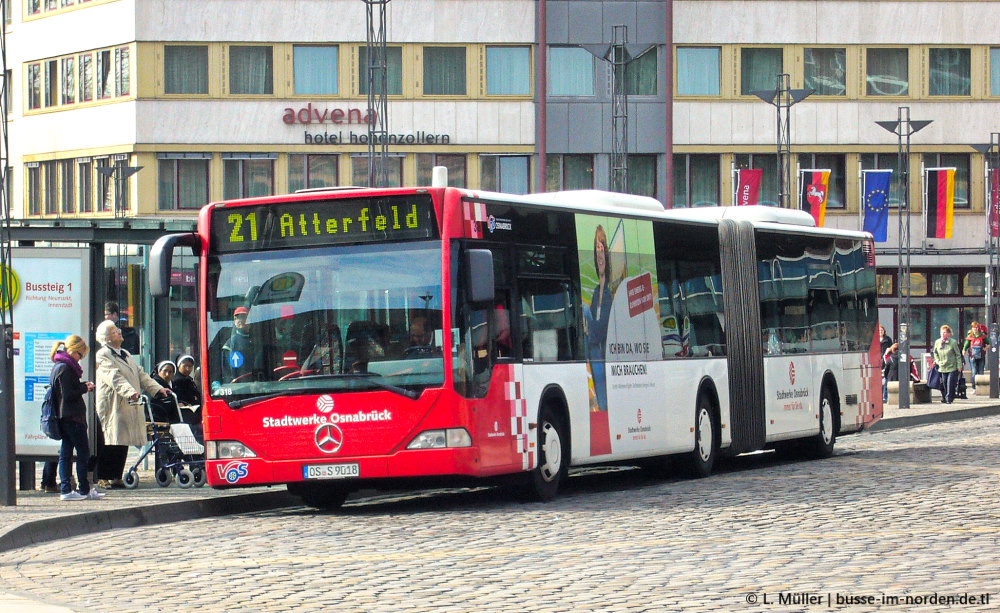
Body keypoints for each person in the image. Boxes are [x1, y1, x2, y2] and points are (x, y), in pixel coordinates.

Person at [94, 319, 168, 489]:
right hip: (114, 403)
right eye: (114, 331)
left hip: (129, 402)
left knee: (123, 438)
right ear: (106, 339)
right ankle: (104, 476)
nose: (119, 332)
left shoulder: (125, 353)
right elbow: (114, 377)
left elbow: (141, 374)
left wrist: (158, 389)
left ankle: (116, 476)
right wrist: (130, 392)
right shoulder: (103, 355)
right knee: (111, 439)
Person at [49, 335, 103, 501]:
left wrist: (82, 386)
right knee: (82, 453)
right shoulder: (65, 368)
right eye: (80, 355)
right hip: (72, 417)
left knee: (66, 452)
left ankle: (68, 489)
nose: (80, 359)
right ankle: (82, 489)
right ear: (73, 351)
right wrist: (84, 388)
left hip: (66, 416)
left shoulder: (61, 366)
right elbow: (68, 394)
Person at [583, 225, 614, 412]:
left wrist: (589, 328)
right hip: (597, 350)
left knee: (585, 310)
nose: (599, 254)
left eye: (602, 248)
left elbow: (605, 327)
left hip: (606, 351)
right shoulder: (596, 291)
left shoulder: (610, 289)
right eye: (596, 249)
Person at [221, 306, 261, 381]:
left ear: (250, 322)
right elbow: (227, 374)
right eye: (237, 318)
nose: (240, 320)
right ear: (234, 321)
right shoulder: (229, 345)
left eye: (244, 317)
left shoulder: (257, 343)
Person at [932, 324, 963, 404]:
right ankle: (946, 396)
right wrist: (937, 361)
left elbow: (958, 354)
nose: (943, 334)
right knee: (944, 382)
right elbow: (935, 353)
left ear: (949, 334)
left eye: (945, 332)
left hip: (952, 366)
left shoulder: (953, 342)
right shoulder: (938, 342)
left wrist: (959, 365)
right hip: (942, 366)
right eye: (942, 332)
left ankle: (949, 398)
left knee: (950, 382)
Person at [963, 321, 990, 395]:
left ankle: (981, 388)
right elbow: (966, 345)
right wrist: (964, 351)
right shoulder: (970, 336)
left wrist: (986, 348)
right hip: (972, 356)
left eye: (976, 327)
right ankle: (974, 388)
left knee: (981, 371)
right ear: (972, 328)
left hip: (981, 356)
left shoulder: (982, 336)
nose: (975, 329)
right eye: (974, 327)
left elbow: (989, 343)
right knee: (974, 372)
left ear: (978, 328)